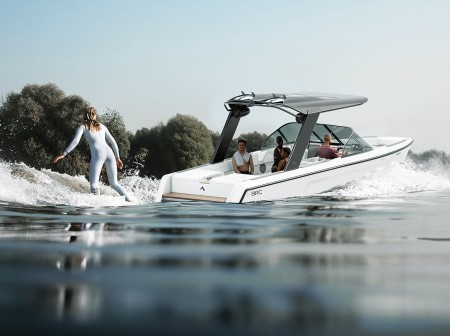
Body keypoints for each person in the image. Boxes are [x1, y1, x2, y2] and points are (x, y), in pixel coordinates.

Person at [53, 107, 132, 201]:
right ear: (94, 115)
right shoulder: (102, 126)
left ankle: (97, 206)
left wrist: (64, 154)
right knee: (114, 183)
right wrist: (118, 158)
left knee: (94, 184)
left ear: (84, 115)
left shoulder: (82, 126)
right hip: (109, 152)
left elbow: (76, 141)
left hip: (98, 154)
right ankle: (130, 201)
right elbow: (113, 142)